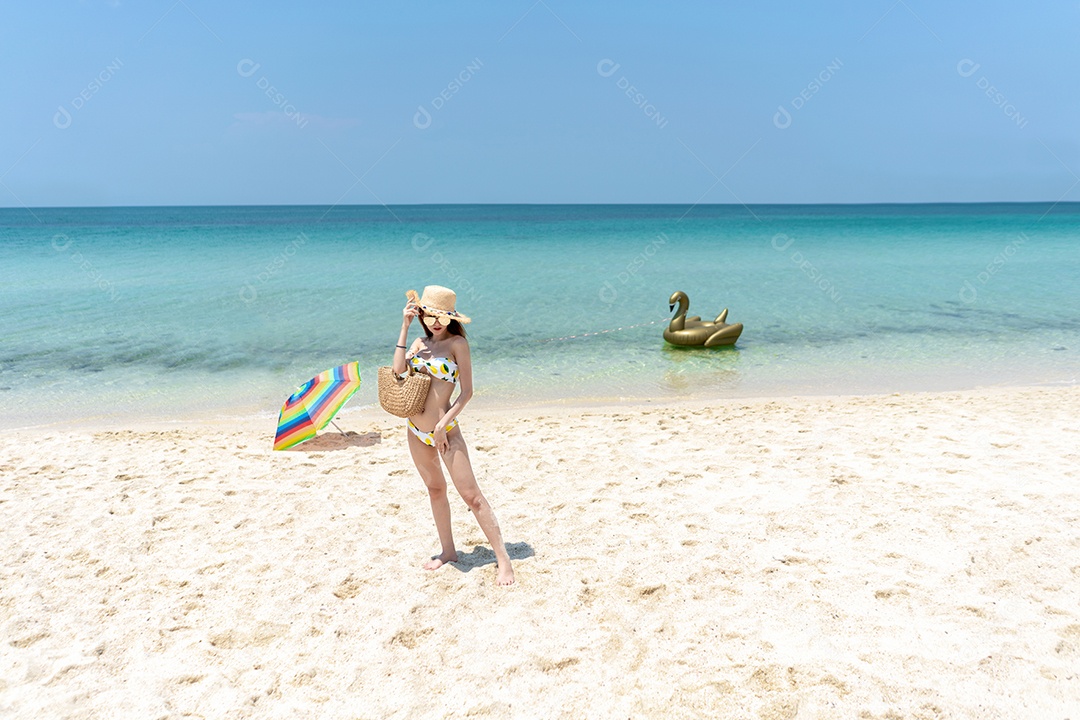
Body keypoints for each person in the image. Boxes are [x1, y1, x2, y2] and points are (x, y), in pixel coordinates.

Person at [392, 285, 515, 586]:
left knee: (471, 496)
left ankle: (503, 559)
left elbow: (467, 392)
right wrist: (405, 328)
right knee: (435, 490)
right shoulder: (419, 343)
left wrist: (441, 424)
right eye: (431, 315)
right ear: (423, 314)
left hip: (444, 431)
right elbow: (397, 373)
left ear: (451, 319)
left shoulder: (457, 344)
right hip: (414, 430)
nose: (436, 322)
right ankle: (448, 551)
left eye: (443, 317)